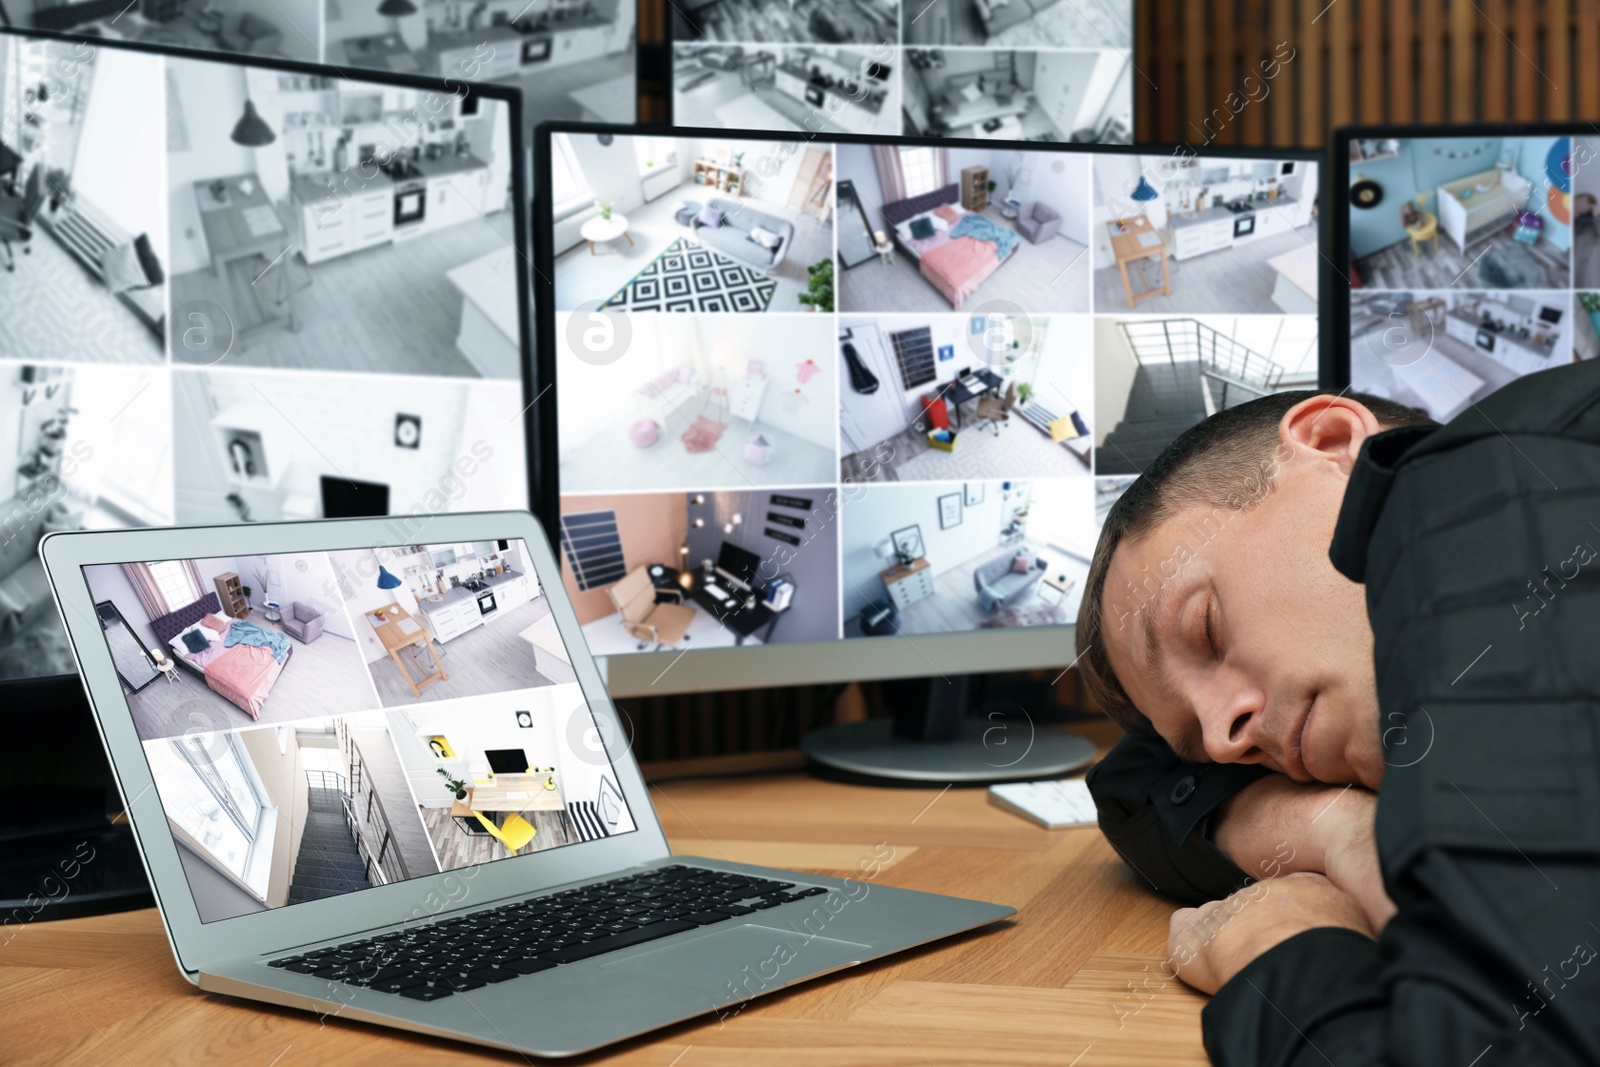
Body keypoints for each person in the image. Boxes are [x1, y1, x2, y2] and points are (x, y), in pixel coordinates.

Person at [1077, 359, 1600, 1065]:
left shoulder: (1478, 492)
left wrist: (1281, 944)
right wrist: (1335, 828)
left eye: (1205, 628)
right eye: (1199, 745)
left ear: (1330, 443)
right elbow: (1133, 784)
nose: (1226, 738)